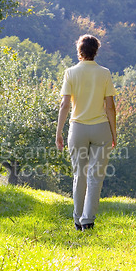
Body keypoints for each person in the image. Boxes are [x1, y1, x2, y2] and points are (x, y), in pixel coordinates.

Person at [55, 34, 117, 231]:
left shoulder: (70, 73)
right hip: (101, 129)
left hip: (78, 129)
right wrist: (114, 133)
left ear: (79, 51)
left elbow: (65, 104)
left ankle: (76, 219)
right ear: (96, 51)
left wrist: (59, 132)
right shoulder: (104, 73)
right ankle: (87, 220)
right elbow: (110, 107)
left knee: (79, 175)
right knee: (95, 177)